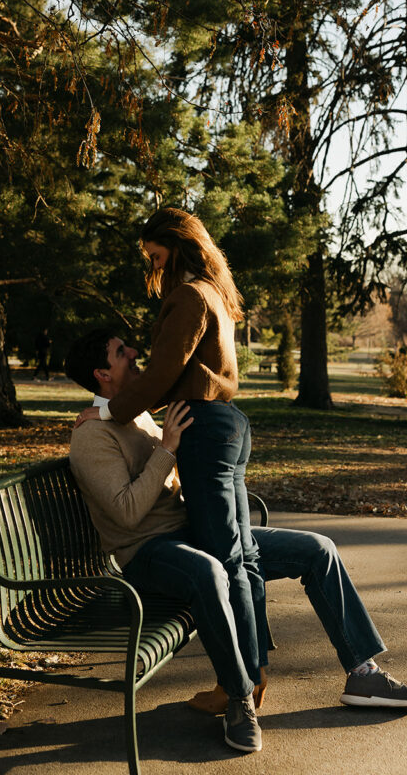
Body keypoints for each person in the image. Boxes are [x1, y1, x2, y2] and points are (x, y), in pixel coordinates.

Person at [66, 329, 407, 755]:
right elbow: (127, 511)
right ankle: (240, 698)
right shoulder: (91, 436)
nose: (133, 353)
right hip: (149, 553)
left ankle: (363, 671)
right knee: (212, 572)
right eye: (120, 351)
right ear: (102, 373)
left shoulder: (134, 415)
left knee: (317, 549)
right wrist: (167, 449)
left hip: (194, 533)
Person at [73, 208, 266, 745]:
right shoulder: (213, 290)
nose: (153, 267)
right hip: (223, 422)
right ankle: (245, 683)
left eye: (156, 256)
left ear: (176, 246)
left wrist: (109, 411)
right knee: (239, 558)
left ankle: (243, 689)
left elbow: (162, 372)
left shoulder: (188, 296)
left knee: (229, 561)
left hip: (203, 426)